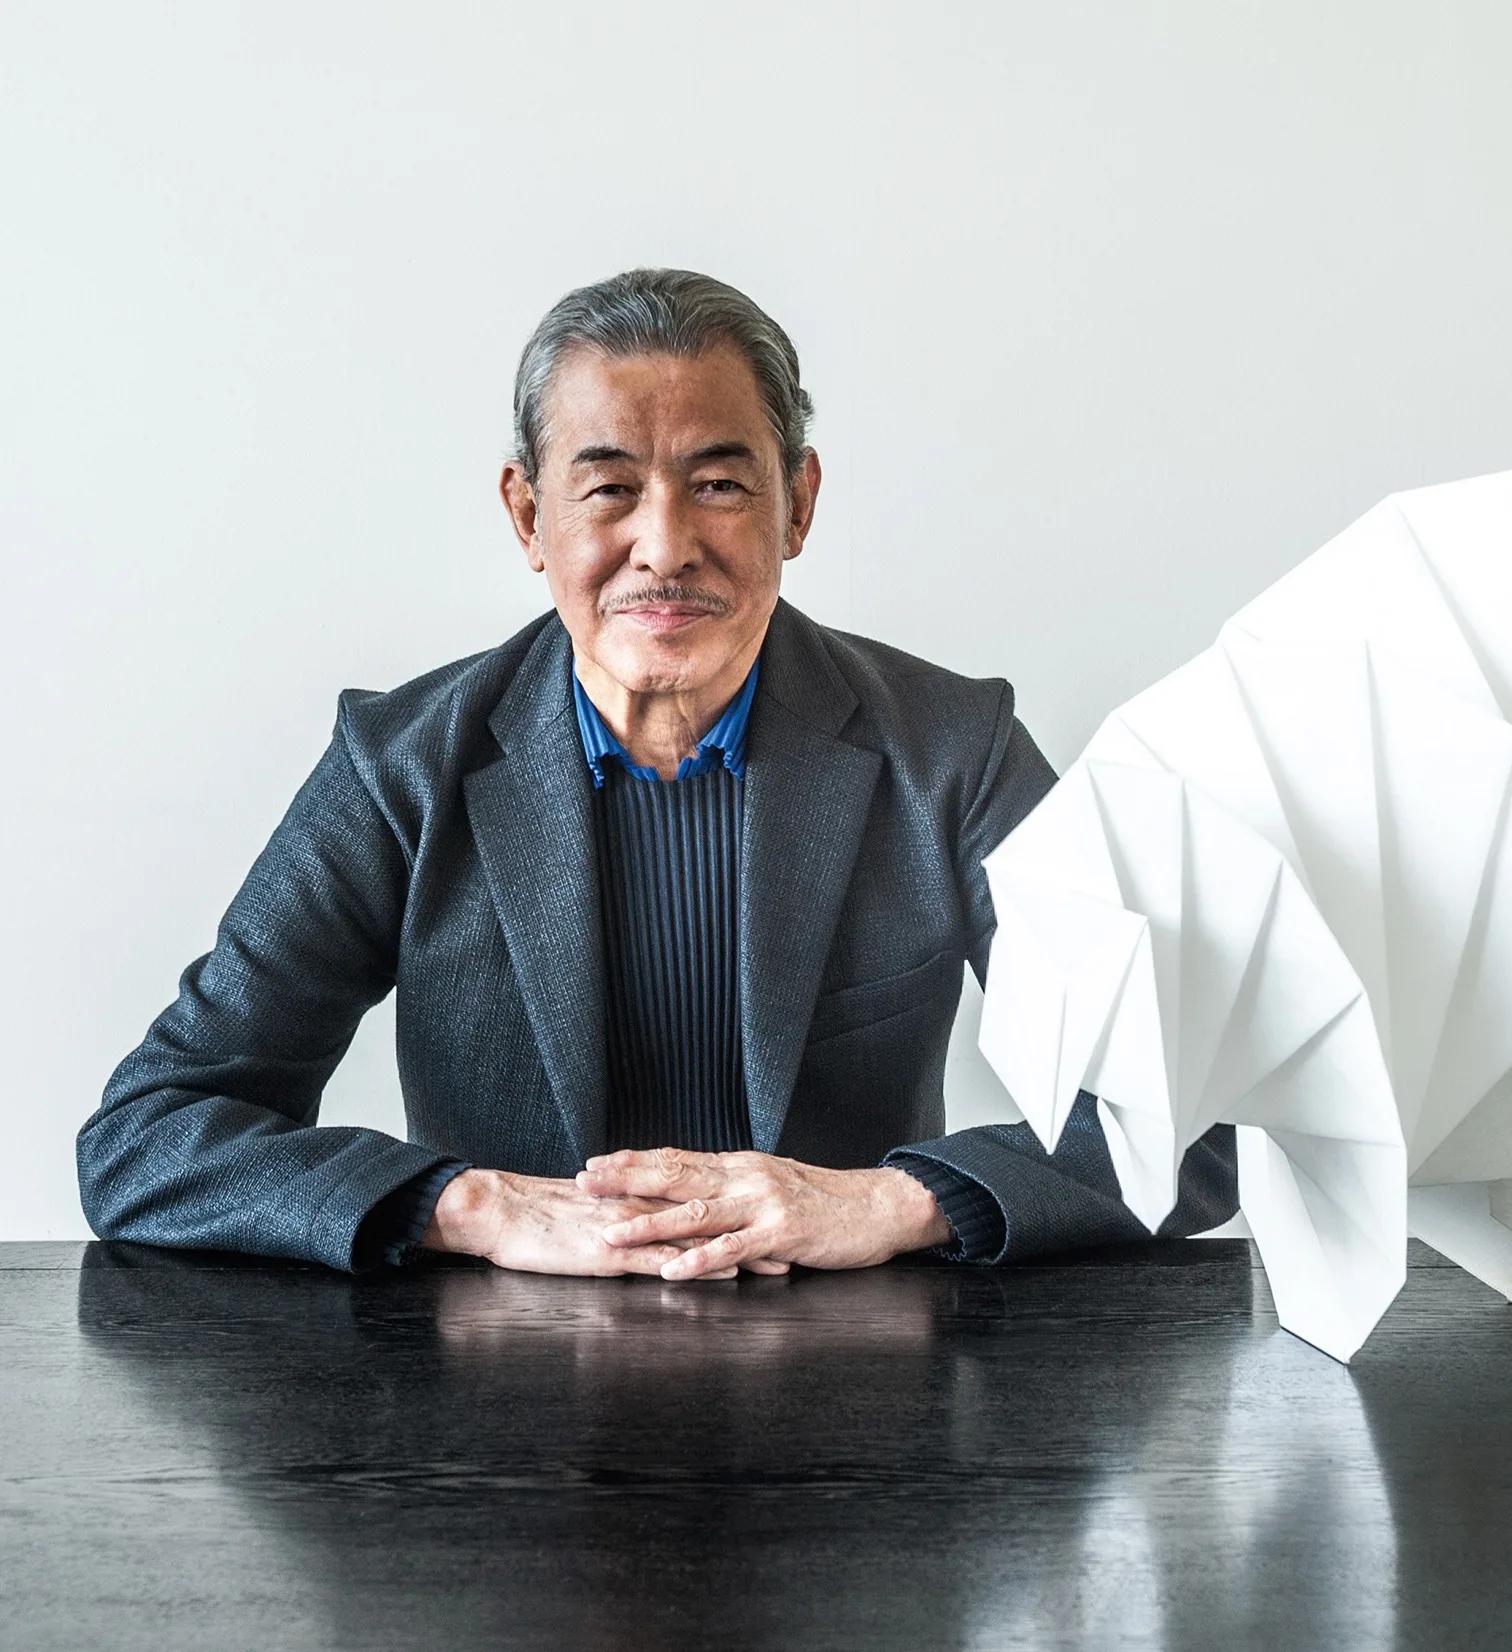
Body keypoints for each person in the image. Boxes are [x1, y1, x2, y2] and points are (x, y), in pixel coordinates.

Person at [77, 267, 1238, 1281]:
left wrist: (889, 1199)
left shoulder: (950, 752)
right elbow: (146, 1133)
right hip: (497, 1404)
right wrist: (469, 1204)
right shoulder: (401, 768)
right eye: (609, 487)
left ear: (798, 504)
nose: (665, 545)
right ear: (527, 515)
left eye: (719, 483)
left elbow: (1198, 1129)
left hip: (867, 1401)